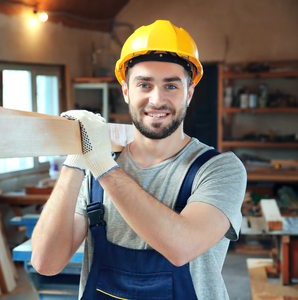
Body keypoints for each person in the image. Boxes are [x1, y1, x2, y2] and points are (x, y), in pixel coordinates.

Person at [31, 20, 247, 299]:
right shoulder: (94, 171)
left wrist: (101, 165)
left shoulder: (220, 169)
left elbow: (181, 247)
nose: (157, 100)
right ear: (125, 91)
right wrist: (75, 160)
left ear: (189, 93)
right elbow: (46, 263)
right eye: (144, 84)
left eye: (171, 86)